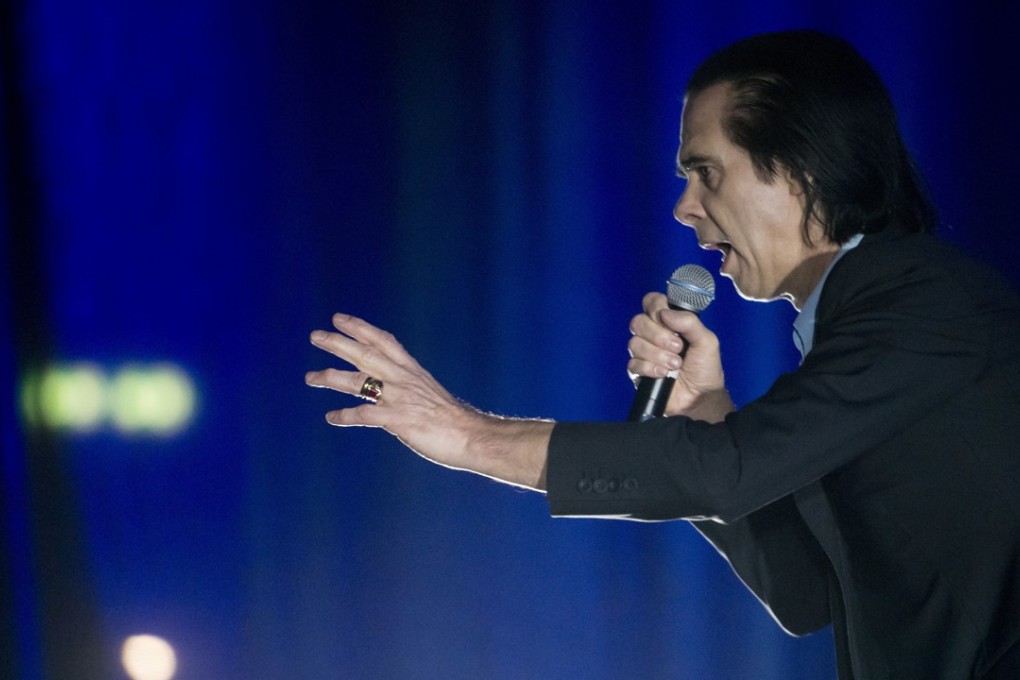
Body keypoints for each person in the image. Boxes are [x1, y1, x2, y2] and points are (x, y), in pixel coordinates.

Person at [305, 30, 1020, 679]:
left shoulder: (927, 304)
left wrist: (468, 435)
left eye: (706, 172)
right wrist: (706, 413)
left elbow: (724, 471)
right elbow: (806, 593)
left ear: (802, 167)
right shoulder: (876, 319)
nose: (684, 206)